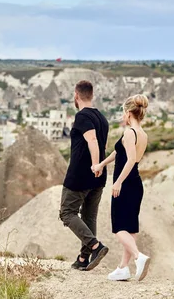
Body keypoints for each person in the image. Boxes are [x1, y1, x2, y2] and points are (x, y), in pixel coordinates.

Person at [92, 94, 151, 282]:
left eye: (123, 113)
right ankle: (122, 269)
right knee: (130, 227)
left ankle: (138, 257)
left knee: (118, 227)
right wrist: (101, 164)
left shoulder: (129, 132)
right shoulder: (142, 134)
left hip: (125, 183)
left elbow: (131, 159)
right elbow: (119, 152)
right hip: (136, 183)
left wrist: (117, 182)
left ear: (128, 113)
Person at [60, 80, 110, 271]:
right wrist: (99, 167)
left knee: (67, 212)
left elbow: (93, 141)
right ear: (92, 95)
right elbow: (104, 145)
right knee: (89, 217)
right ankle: (83, 258)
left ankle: (96, 247)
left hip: (81, 175)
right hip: (99, 177)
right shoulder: (102, 119)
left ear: (76, 95)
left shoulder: (82, 117)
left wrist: (94, 165)